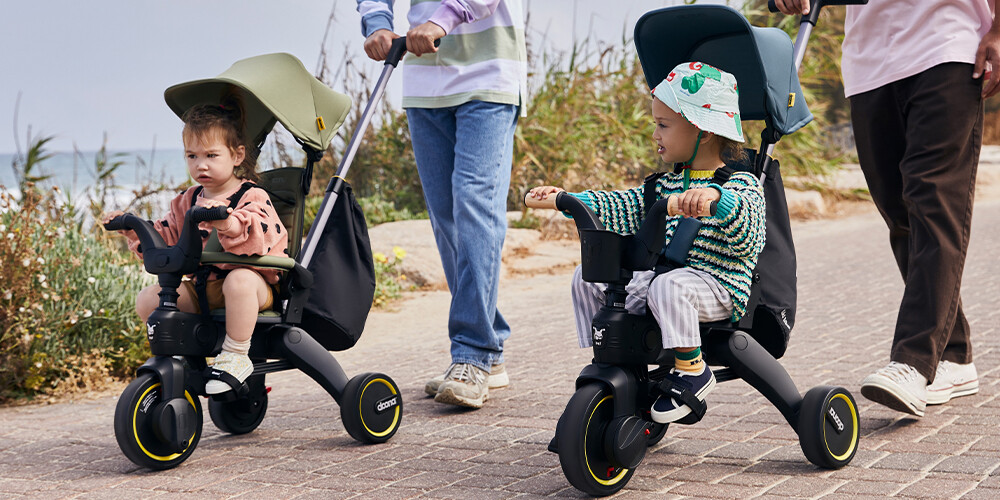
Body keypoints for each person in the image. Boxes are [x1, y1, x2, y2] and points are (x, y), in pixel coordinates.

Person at [774, 0, 999, 416]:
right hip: (870, 61)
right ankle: (955, 355)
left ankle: (914, 361)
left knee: (932, 200)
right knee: (899, 214)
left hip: (948, 46)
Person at [528, 62, 766, 423]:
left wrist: (718, 201)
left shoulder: (740, 184)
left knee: (669, 286)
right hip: (665, 283)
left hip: (718, 287)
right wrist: (568, 198)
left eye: (663, 125)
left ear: (702, 129)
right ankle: (612, 357)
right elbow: (621, 207)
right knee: (589, 276)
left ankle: (692, 370)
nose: (655, 134)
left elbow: (750, 233)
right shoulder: (662, 186)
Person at [355, 0, 526, 408]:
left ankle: (472, 354)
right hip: (423, 80)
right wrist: (377, 24)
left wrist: (439, 19)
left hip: (489, 77)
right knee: (447, 220)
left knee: (474, 207)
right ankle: (490, 347)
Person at [103, 99, 288, 395]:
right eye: (192, 155)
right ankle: (184, 355)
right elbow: (167, 235)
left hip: (253, 289)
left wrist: (229, 224)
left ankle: (236, 354)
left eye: (211, 155)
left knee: (239, 281)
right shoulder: (187, 199)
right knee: (149, 300)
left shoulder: (251, 195)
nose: (200, 164)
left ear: (237, 155)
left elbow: (261, 233)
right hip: (203, 288)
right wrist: (133, 227)